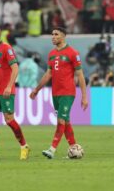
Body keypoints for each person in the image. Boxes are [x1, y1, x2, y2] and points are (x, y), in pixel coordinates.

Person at [29, 27, 88, 159]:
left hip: (68, 92)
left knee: (61, 120)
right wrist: (37, 89)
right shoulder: (51, 54)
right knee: (65, 121)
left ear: (63, 36)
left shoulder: (73, 53)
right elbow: (48, 74)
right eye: (52, 34)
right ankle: (74, 148)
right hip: (55, 93)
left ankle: (52, 149)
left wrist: (84, 96)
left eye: (56, 34)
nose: (53, 37)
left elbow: (80, 75)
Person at [0, 24, 30, 160]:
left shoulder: (6, 48)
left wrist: (9, 86)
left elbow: (15, 68)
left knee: (9, 120)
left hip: (5, 90)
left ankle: (24, 145)